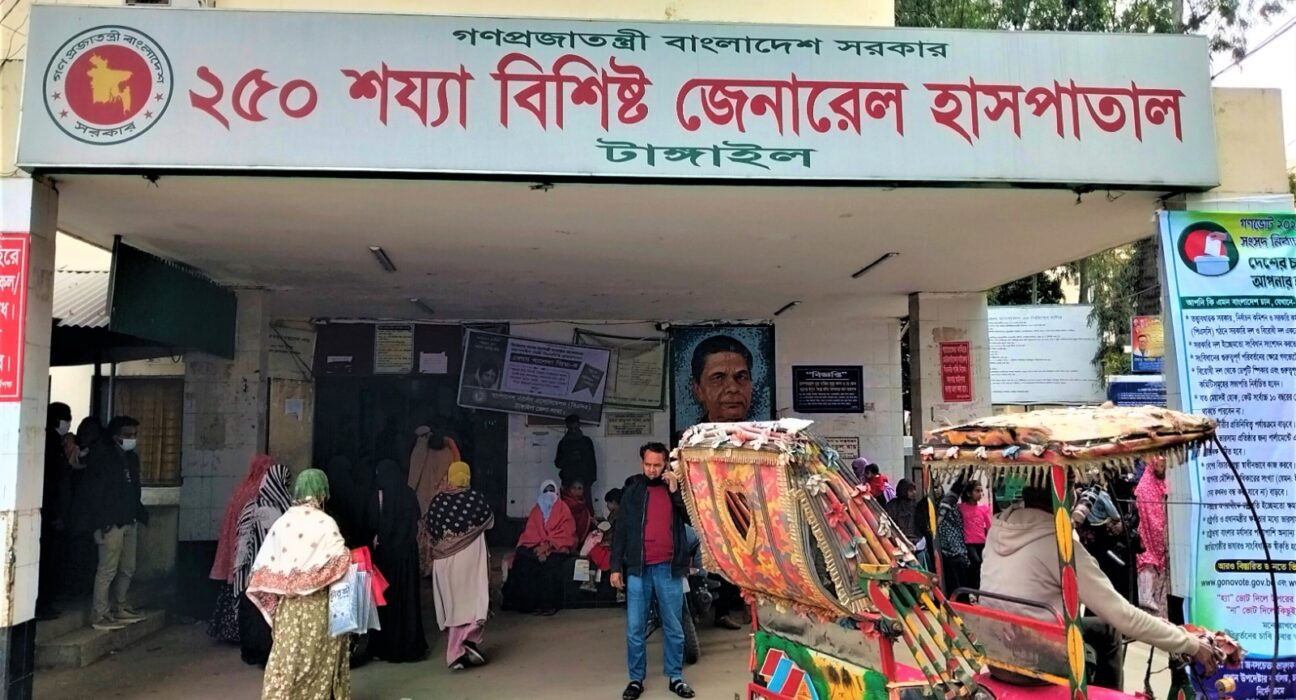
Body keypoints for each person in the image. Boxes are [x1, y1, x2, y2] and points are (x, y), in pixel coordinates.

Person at [981, 485, 1217, 690]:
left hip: (998, 653)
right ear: (1067, 495)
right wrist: (1191, 645)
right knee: (1110, 629)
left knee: (1104, 629)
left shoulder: (997, 530)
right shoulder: (1061, 548)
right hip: (1038, 662)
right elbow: (1123, 616)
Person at [247, 469, 353, 700]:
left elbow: (263, 568)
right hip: (318, 607)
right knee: (318, 658)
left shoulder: (283, 523)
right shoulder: (325, 523)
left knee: (287, 658)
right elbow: (339, 561)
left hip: (289, 609)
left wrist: (289, 585)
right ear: (322, 492)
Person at [610, 443, 696, 700]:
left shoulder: (675, 489)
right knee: (635, 628)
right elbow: (621, 531)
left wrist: (676, 492)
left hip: (668, 567)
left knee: (674, 626)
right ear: (642, 463)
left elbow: (692, 519)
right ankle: (636, 680)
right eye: (648, 464)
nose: (652, 469)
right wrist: (615, 567)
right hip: (638, 568)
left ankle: (676, 677)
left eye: (657, 465)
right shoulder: (633, 491)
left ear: (665, 464)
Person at [427, 461, 494, 670]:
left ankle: (457, 651)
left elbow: (430, 530)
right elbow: (490, 521)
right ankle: (466, 641)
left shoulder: (438, 501)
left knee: (454, 605)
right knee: (473, 601)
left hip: (443, 561)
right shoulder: (475, 499)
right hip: (470, 558)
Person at [85, 416, 147, 631]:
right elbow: (95, 493)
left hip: (129, 518)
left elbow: (134, 490)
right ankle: (99, 613)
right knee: (107, 569)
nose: (132, 439)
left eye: (134, 435)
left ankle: (120, 605)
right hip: (110, 522)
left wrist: (139, 513)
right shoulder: (103, 458)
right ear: (115, 436)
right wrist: (100, 521)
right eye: (127, 435)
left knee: (128, 567)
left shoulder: (131, 459)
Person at [365, 459, 428, 663]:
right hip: (407, 557)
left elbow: (372, 523)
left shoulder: (378, 495)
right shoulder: (408, 494)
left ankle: (383, 647)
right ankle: (409, 647)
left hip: (385, 557)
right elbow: (416, 521)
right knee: (407, 602)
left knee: (385, 602)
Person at [209, 455, 276, 644]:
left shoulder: (242, 488)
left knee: (235, 587)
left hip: (236, 546)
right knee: (248, 589)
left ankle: (230, 630)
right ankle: (244, 631)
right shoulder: (260, 491)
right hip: (251, 548)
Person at [502, 480, 578, 615]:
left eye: (551, 491)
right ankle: (526, 604)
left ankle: (548, 606)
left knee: (550, 566)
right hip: (536, 546)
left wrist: (548, 547)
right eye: (545, 491)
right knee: (523, 558)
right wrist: (539, 549)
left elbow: (566, 534)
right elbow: (530, 534)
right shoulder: (536, 511)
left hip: (558, 548)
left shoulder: (563, 510)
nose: (549, 494)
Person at [38, 402, 74, 619]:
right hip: (51, 514)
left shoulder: (54, 442)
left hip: (53, 512)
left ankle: (45, 603)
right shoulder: (50, 443)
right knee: (47, 561)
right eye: (67, 418)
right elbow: (52, 483)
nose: (69, 422)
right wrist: (55, 515)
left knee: (50, 561)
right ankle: (42, 605)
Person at [1135, 457, 1170, 617]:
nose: (1162, 466)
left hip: (1164, 547)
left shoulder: (1163, 484)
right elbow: (1151, 519)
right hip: (1151, 544)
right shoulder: (1146, 488)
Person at [689, 335, 753, 423]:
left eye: (741, 377)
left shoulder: (768, 431)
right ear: (698, 390)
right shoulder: (688, 432)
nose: (733, 388)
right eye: (718, 378)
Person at [408, 421, 461, 514]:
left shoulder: (421, 445)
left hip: (424, 497)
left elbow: (414, 475)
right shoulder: (450, 449)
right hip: (441, 499)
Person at [555, 414, 597, 510]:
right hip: (569, 480)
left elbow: (592, 462)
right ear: (568, 427)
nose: (574, 430)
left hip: (584, 480)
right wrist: (569, 458)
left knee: (585, 509)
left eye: (575, 427)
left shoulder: (586, 442)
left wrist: (591, 480)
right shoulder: (564, 443)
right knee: (568, 509)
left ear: (579, 425)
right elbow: (558, 463)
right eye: (571, 428)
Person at [884, 479, 930, 568]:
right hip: (898, 542)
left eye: (914, 490)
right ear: (903, 490)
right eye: (911, 490)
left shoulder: (916, 506)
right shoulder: (893, 506)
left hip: (916, 542)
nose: (914, 492)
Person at [936, 480, 970, 597]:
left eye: (938, 487)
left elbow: (959, 524)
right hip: (942, 547)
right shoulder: (931, 506)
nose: (936, 490)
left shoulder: (950, 506)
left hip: (955, 544)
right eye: (934, 488)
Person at [958, 480, 991, 590]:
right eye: (977, 491)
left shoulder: (984, 508)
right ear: (969, 493)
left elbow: (989, 526)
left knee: (982, 566)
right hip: (968, 543)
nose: (980, 493)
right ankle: (972, 588)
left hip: (981, 542)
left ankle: (979, 588)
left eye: (981, 491)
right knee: (975, 562)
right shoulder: (961, 508)